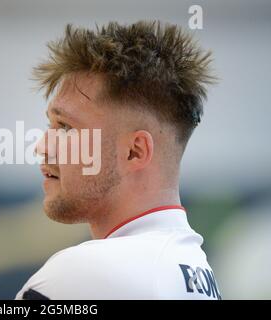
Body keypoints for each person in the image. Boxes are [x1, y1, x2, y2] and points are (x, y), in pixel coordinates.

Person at [16, 21, 221, 300]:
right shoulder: (194, 270)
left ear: (134, 151)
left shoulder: (80, 275)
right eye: (50, 126)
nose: (42, 147)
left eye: (65, 128)